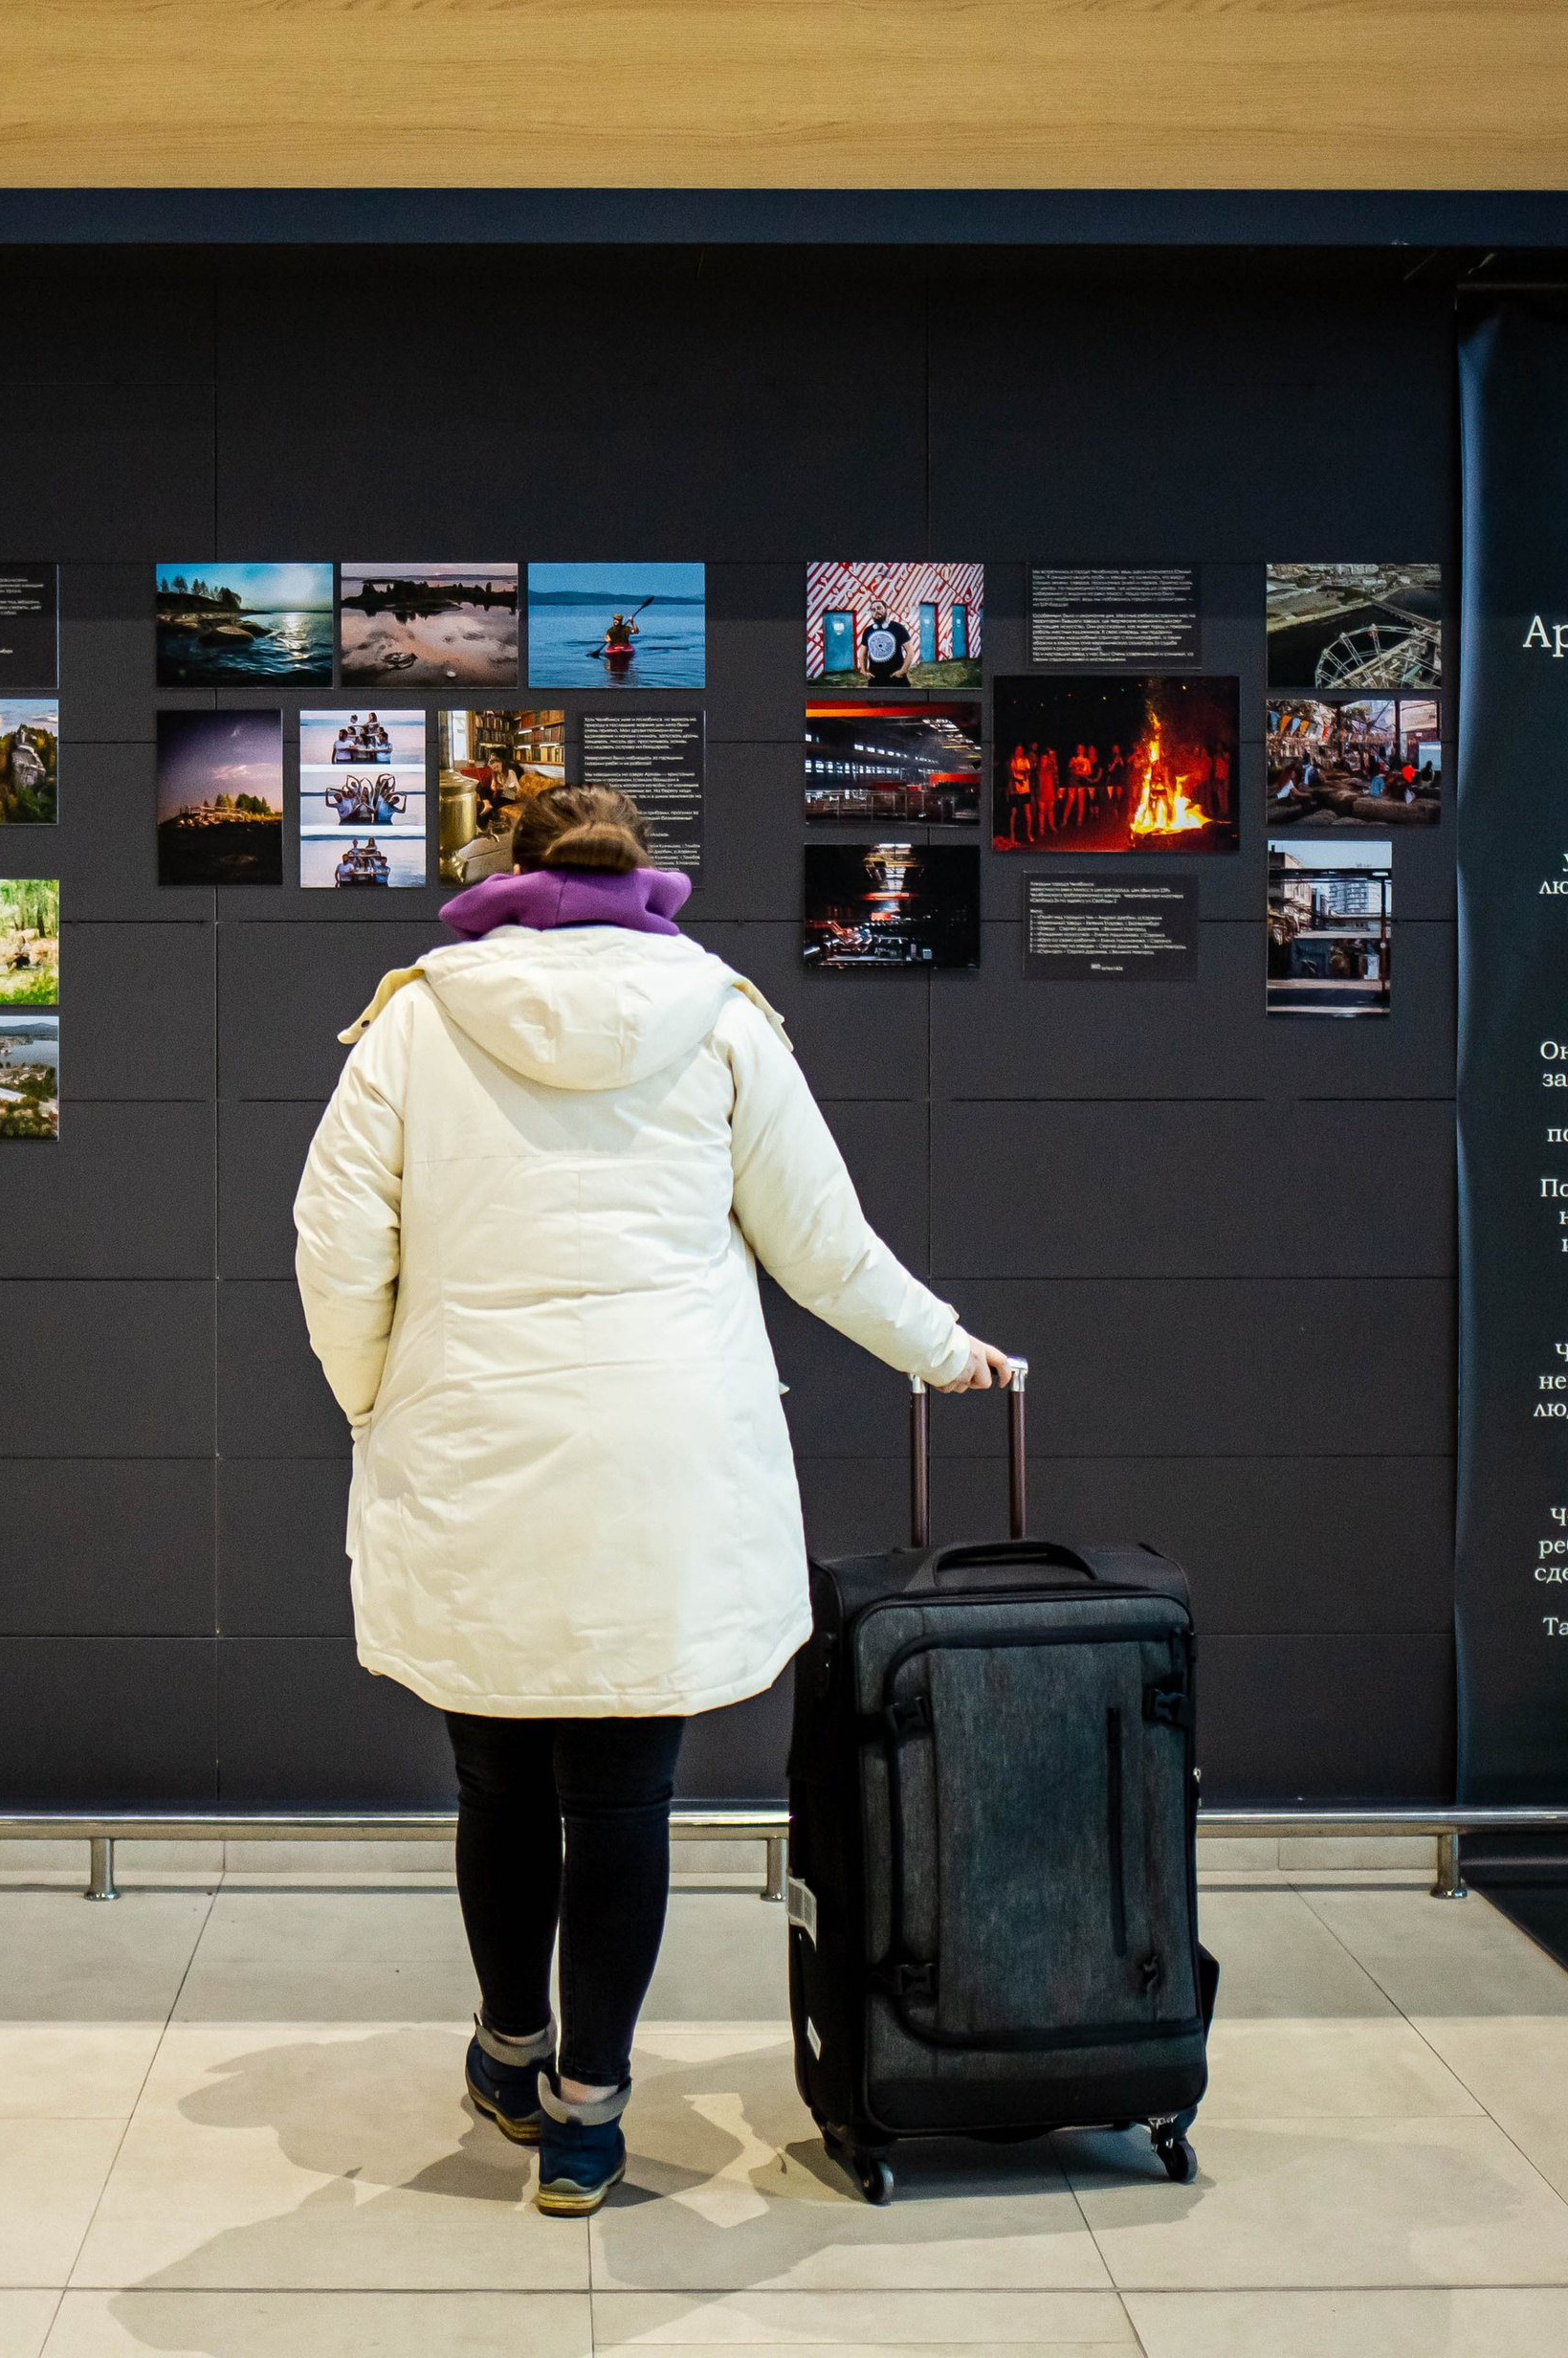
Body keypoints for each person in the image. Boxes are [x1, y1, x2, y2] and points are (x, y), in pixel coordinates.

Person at [294, 784, 1012, 2217]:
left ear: (507, 871)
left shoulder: (420, 1024)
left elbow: (333, 1247)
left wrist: (378, 1401)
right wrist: (948, 1350)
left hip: (477, 1446)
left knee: (498, 1779)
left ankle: (510, 2051)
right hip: (665, 1455)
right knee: (626, 1798)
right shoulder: (725, 1020)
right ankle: (588, 2115)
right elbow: (823, 1244)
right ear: (646, 879)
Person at [859, 603, 911, 684]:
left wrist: (903, 671)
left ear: (886, 609)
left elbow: (910, 651)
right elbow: (862, 653)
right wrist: (864, 671)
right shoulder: (868, 630)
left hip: (896, 678)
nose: (876, 611)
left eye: (879, 608)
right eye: (873, 609)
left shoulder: (899, 628)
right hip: (875, 679)